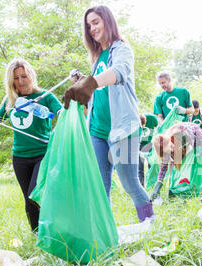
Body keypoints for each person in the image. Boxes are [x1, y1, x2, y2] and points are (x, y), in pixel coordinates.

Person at [63, 5, 154, 223]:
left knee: (131, 184)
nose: (92, 28)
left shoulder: (121, 49)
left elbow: (119, 72)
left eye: (96, 22)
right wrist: (83, 80)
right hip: (97, 131)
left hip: (123, 130)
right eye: (88, 26)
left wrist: (91, 82)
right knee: (99, 189)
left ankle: (151, 226)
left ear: (108, 21)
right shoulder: (96, 58)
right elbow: (98, 91)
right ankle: (105, 237)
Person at [0, 58, 63, 233]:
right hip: (20, 157)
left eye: (24, 76)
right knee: (27, 199)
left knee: (35, 195)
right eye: (15, 78)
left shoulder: (46, 96)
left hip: (42, 154)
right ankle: (36, 236)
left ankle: (52, 231)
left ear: (31, 75)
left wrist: (67, 113)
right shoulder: (11, 99)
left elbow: (61, 112)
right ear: (10, 80)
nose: (21, 81)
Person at [150, 121, 202, 200]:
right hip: (180, 144)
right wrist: (158, 184)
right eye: (168, 151)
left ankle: (200, 191)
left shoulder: (182, 134)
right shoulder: (165, 148)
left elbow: (193, 157)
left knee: (198, 165)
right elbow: (164, 167)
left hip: (196, 138)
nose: (171, 150)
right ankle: (174, 191)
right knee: (174, 169)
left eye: (171, 147)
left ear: (170, 141)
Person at [138, 113, 158, 187]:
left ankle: (149, 185)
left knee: (148, 166)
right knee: (143, 167)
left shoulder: (153, 118)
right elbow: (156, 127)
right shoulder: (137, 120)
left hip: (148, 144)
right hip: (141, 144)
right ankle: (144, 185)